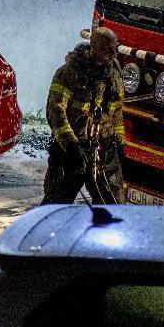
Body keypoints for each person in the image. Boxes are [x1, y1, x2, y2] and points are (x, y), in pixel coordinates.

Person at [42, 26, 126, 204]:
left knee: (113, 208)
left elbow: (117, 112)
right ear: (94, 47)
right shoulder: (69, 72)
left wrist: (119, 144)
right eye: (108, 49)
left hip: (103, 149)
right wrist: (71, 147)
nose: (113, 54)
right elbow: (56, 113)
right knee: (55, 206)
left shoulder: (114, 74)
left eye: (114, 48)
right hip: (71, 152)